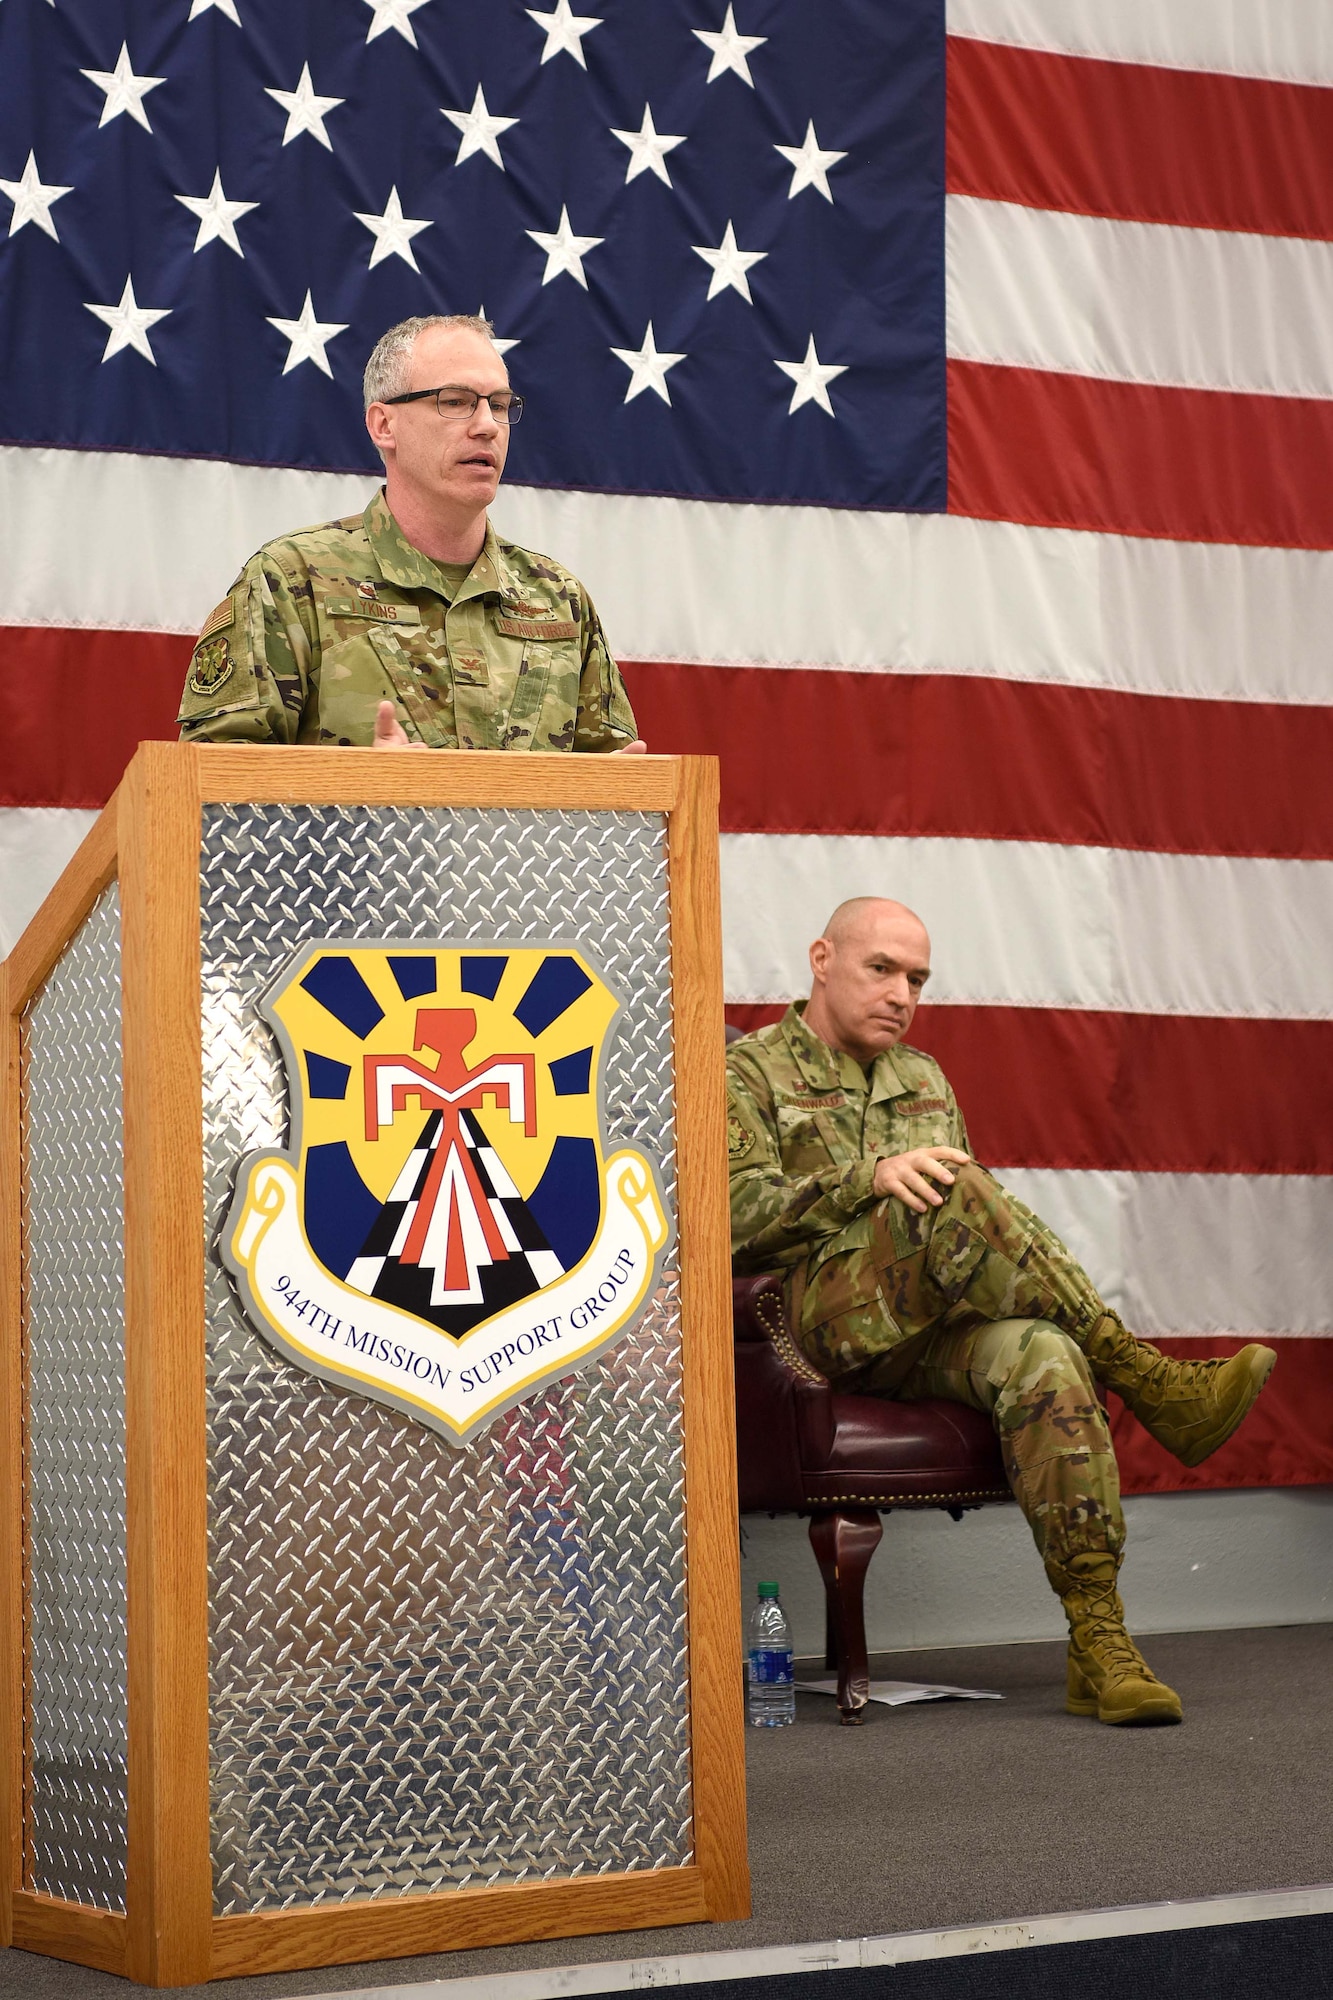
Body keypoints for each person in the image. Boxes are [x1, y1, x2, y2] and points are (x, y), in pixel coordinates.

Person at [726, 896, 1276, 1726]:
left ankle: (1098, 1639)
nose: (901, 994)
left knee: (1042, 1351)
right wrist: (863, 1180)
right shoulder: (749, 1072)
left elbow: (975, 1235)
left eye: (916, 978)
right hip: (810, 1329)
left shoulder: (923, 1078)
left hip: (917, 1326)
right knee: (958, 1191)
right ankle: (1142, 1375)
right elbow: (729, 1219)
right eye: (880, 970)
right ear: (821, 959)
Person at [177, 313, 646, 755]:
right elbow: (211, 788)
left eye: (500, 406)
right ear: (385, 425)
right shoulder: (292, 580)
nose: (487, 427)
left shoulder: (558, 598)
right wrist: (361, 794)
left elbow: (608, 786)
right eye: (456, 402)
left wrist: (625, 800)